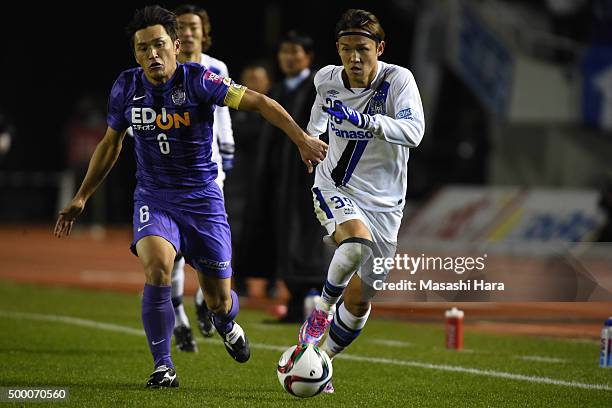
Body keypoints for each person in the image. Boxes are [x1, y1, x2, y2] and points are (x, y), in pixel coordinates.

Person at [54, 5, 327, 389]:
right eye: (143, 48)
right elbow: (111, 143)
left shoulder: (200, 80)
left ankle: (225, 321)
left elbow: (261, 103)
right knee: (158, 271)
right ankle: (163, 366)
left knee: (219, 299)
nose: (152, 54)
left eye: (159, 45)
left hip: (203, 201)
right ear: (135, 54)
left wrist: (301, 139)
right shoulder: (125, 87)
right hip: (155, 197)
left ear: (176, 45)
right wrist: (82, 196)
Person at [297, 9, 425, 393]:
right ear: (337, 49)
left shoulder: (398, 80)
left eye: (363, 50)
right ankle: (320, 311)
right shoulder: (326, 78)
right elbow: (319, 115)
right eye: (346, 49)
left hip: (387, 203)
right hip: (336, 185)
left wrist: (366, 121)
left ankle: (320, 360)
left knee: (362, 296)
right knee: (355, 244)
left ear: (379, 48)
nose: (354, 58)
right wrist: (310, 140)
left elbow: (414, 132)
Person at [236, 32, 332, 320]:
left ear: (308, 56)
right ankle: (294, 302)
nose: (288, 58)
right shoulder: (276, 92)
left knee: (307, 236)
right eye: (284, 52)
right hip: (278, 179)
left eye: (295, 52)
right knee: (281, 235)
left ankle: (315, 301)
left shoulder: (319, 89)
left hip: (308, 177)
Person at [168, 3, 237, 353]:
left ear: (203, 31)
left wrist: (227, 149)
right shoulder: (162, 67)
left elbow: (224, 113)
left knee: (206, 247)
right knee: (174, 251)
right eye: (181, 25)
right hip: (168, 174)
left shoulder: (216, 68)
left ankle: (204, 301)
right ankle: (179, 321)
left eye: (194, 26)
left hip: (209, 173)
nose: (189, 31)